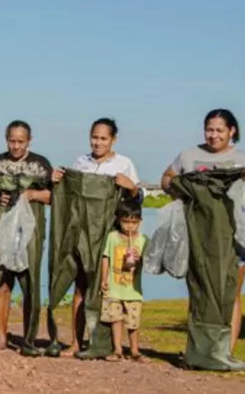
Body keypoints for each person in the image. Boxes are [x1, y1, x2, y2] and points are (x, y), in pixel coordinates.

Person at [161, 109, 245, 356]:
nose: (213, 135)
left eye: (219, 130)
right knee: (199, 291)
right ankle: (199, 350)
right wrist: (176, 185)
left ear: (232, 131)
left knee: (230, 293)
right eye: (209, 129)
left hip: (236, 239)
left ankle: (224, 354)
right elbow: (166, 179)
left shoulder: (244, 159)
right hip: (198, 236)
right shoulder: (189, 156)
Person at [51, 118, 143, 356]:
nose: (98, 142)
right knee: (80, 287)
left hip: (109, 236)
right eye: (94, 137)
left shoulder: (124, 163)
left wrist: (131, 187)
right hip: (81, 234)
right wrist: (57, 180)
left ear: (113, 140)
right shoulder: (81, 163)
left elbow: (136, 201)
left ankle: (103, 345)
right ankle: (75, 343)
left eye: (103, 138)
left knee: (106, 290)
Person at [0, 120, 52, 354]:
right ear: (6, 138)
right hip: (0, 229)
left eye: (21, 141)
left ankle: (28, 339)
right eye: (12, 141)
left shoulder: (40, 164)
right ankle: (0, 335)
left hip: (29, 231)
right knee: (1, 282)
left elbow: (54, 196)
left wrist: (32, 194)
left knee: (30, 285)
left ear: (29, 141)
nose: (16, 146)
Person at [100, 201, 149, 363]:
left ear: (140, 222)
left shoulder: (143, 240)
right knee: (116, 319)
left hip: (133, 290)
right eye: (126, 222)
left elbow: (148, 263)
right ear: (119, 220)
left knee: (133, 322)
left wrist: (138, 260)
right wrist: (103, 279)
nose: (129, 226)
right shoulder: (112, 237)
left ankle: (134, 350)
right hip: (114, 288)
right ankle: (118, 349)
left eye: (133, 222)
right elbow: (106, 258)